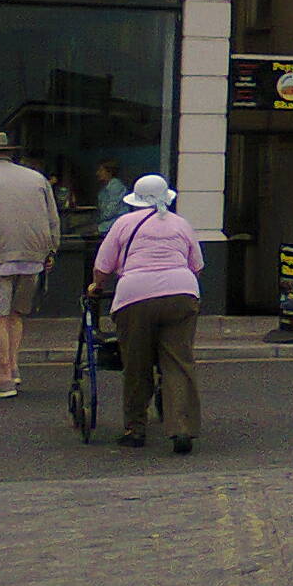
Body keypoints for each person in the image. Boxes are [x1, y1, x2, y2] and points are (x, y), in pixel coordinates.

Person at [88, 174, 203, 452]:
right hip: (181, 293)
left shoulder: (123, 223)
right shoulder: (181, 224)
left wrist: (96, 286)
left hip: (135, 296)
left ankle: (135, 429)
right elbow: (197, 266)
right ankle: (182, 428)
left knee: (136, 364)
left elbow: (103, 266)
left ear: (135, 200)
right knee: (178, 363)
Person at [0, 131, 59, 398]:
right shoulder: (36, 178)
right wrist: (51, 252)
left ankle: (3, 378)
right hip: (33, 257)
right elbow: (52, 219)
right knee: (16, 313)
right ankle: (14, 367)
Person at [95, 160, 126, 235]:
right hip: (106, 224)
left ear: (109, 172)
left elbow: (110, 211)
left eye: (101, 170)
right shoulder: (104, 189)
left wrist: (98, 219)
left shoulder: (116, 187)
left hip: (113, 225)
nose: (97, 173)